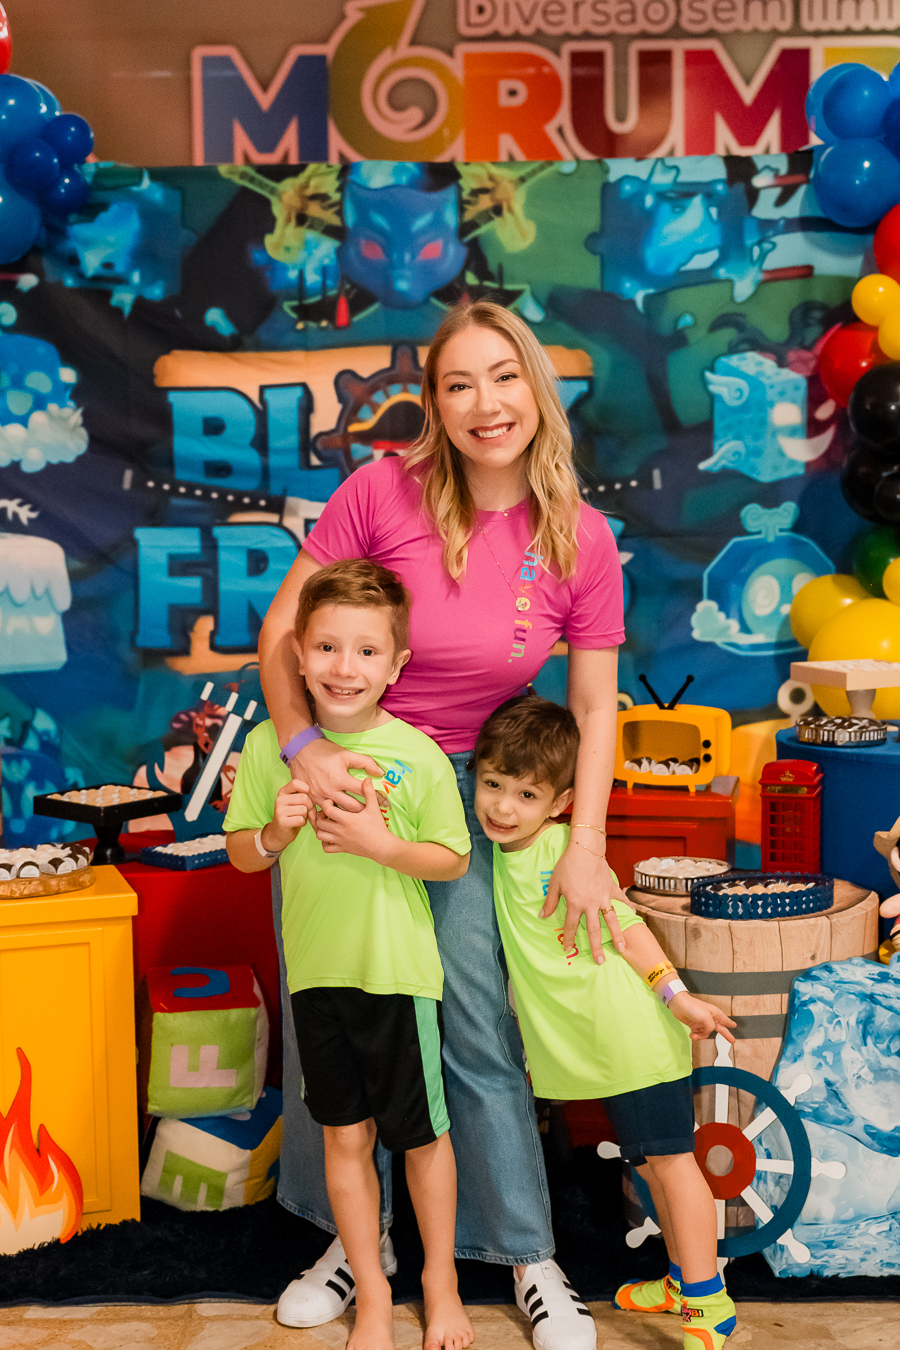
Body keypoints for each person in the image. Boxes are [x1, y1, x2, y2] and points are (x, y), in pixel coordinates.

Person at [258, 299, 626, 1349]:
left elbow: (594, 704)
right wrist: (305, 747)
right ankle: (354, 1241)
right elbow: (284, 629)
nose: (484, 403)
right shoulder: (381, 491)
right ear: (434, 402)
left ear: (536, 388)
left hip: (473, 793)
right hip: (350, 773)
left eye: (503, 377)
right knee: (336, 1011)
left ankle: (522, 1251)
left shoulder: (578, 534)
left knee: (468, 1019)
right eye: (458, 384)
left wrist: (586, 843)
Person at [226, 559, 474, 1350]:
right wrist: (275, 832)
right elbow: (240, 853)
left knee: (423, 1138)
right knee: (344, 1136)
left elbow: (454, 858)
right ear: (299, 655)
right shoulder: (271, 748)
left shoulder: (417, 755)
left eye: (367, 651)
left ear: (396, 665)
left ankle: (441, 1284)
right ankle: (372, 1293)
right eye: (327, 647)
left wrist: (382, 844)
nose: (344, 667)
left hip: (398, 978)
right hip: (317, 978)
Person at [472, 694, 739, 1350]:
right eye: (493, 784)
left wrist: (676, 996)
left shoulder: (566, 854)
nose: (503, 807)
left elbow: (627, 925)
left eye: (527, 794)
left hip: (631, 1033)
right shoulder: (497, 852)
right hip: (599, 1044)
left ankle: (711, 1303)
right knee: (651, 1163)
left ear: (563, 803)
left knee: (673, 1163)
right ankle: (682, 1279)